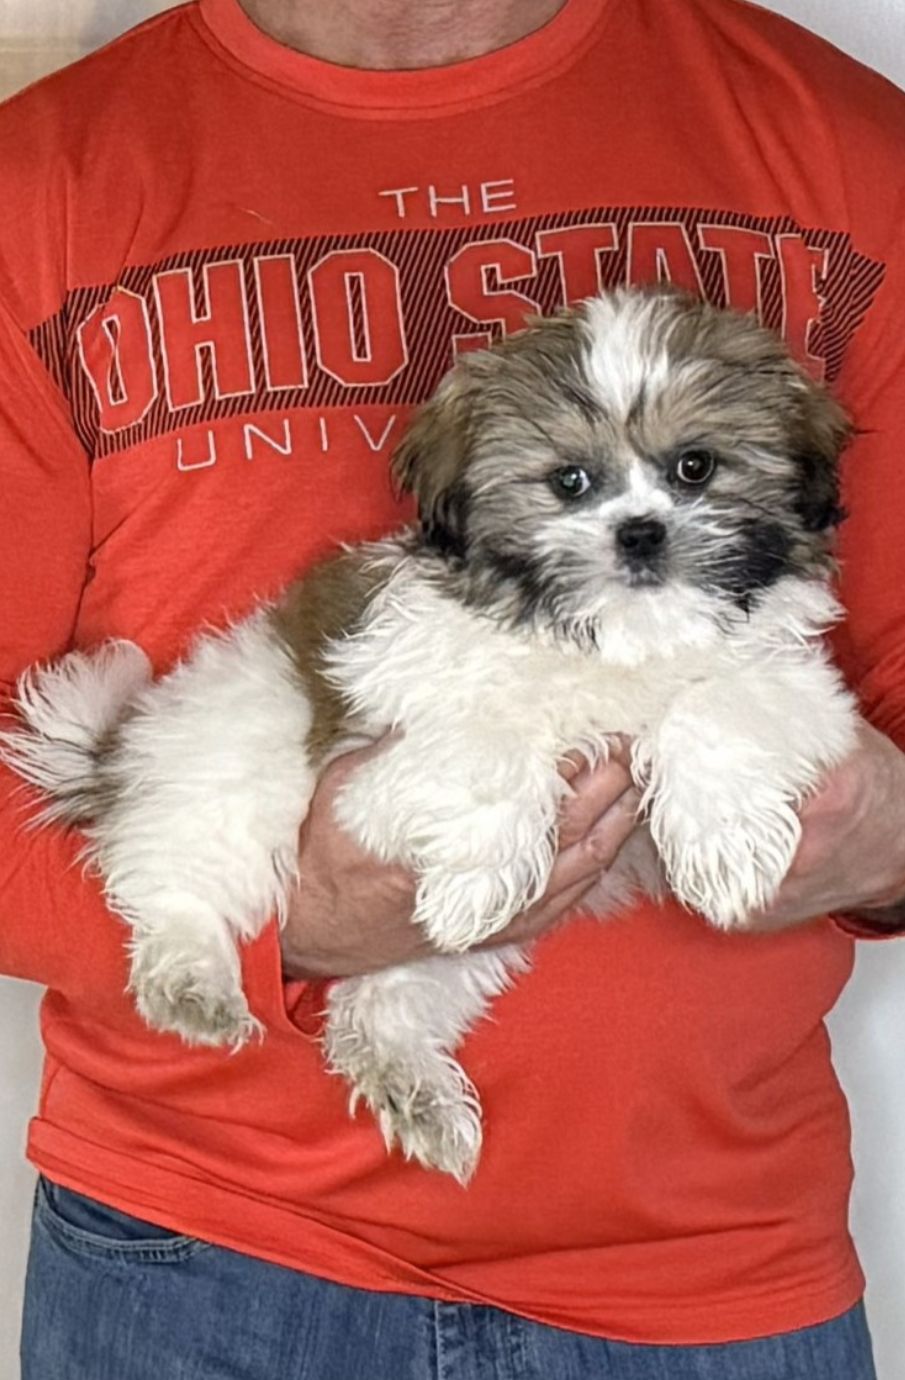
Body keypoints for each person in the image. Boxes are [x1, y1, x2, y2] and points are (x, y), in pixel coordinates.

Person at [3, 0, 905, 1375]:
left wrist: (884, 834)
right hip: (196, 1255)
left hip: (713, 1264)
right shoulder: (41, 186)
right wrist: (281, 923)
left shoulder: (836, 144)